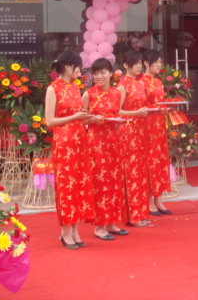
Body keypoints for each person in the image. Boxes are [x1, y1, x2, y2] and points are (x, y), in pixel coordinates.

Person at [45, 51, 95, 249]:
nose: (79, 71)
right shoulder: (53, 89)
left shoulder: (75, 87)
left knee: (80, 185)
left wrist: (88, 117)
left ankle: (75, 229)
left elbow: (78, 114)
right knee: (66, 185)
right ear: (67, 67)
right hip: (64, 143)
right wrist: (75, 118)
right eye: (77, 67)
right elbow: (50, 121)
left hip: (79, 141)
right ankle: (65, 231)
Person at [82, 58, 128, 240]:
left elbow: (118, 114)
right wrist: (93, 119)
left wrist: (121, 121)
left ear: (111, 73)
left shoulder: (117, 93)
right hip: (95, 143)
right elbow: (80, 119)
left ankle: (111, 222)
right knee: (100, 183)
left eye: (103, 72)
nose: (99, 76)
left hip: (113, 141)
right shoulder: (89, 94)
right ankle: (99, 226)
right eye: (96, 73)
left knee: (114, 181)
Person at [117, 50, 151, 227]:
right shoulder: (123, 85)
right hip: (128, 132)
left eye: (140, 63)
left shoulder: (139, 83)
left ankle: (140, 212)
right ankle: (132, 215)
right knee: (131, 173)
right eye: (135, 63)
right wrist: (135, 113)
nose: (139, 66)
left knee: (140, 172)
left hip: (140, 131)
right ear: (125, 65)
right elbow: (116, 110)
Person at [139, 49, 173, 216]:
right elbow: (139, 105)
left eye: (160, 61)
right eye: (156, 62)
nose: (159, 65)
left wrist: (166, 107)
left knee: (160, 159)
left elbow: (161, 101)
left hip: (159, 124)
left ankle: (158, 197)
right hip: (147, 124)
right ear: (146, 63)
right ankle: (148, 199)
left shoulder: (158, 81)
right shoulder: (141, 82)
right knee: (149, 159)